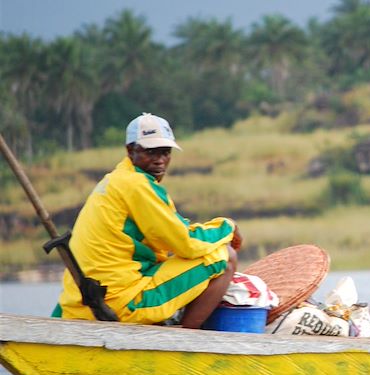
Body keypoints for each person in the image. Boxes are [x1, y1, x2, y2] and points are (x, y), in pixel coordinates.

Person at [53, 113, 241, 328]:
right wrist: (229, 227)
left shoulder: (115, 180)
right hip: (115, 304)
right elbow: (186, 242)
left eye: (165, 152)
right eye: (150, 152)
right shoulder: (137, 185)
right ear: (130, 150)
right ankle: (185, 342)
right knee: (227, 258)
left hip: (78, 303)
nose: (159, 160)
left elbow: (171, 233)